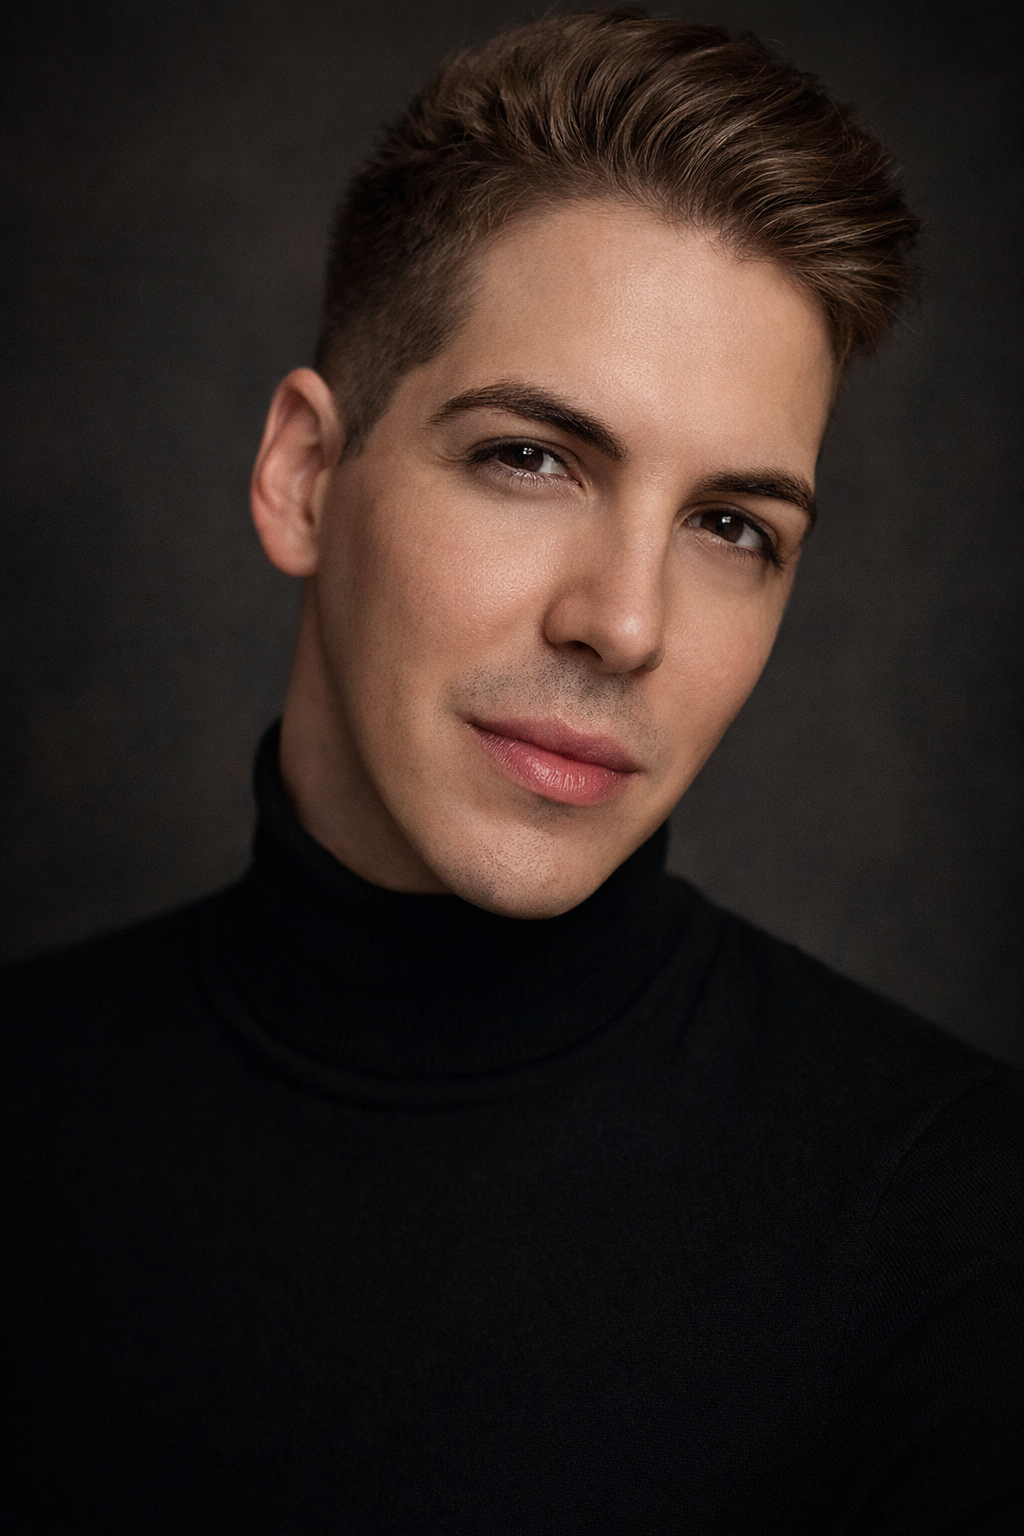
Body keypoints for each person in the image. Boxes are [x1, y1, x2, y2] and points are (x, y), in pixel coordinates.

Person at [1, 10, 1020, 1532]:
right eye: (531, 458)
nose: (622, 622)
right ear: (301, 476)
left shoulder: (958, 1224)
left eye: (733, 527)